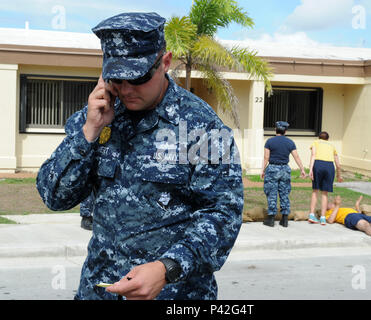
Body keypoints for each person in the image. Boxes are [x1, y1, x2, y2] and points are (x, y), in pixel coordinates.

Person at [36, 12, 243, 300]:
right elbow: (54, 196)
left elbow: (223, 214)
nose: (127, 89)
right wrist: (89, 132)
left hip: (175, 294)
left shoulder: (202, 127)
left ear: (165, 62)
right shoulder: (97, 115)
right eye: (117, 78)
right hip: (101, 290)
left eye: (139, 77)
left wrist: (167, 267)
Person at [260, 121, 306, 228]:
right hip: (285, 169)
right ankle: (284, 219)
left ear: (275, 129)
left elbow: (266, 157)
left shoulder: (269, 141)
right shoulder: (290, 142)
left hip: (272, 169)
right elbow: (296, 157)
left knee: (272, 192)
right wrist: (302, 169)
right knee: (284, 193)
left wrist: (262, 170)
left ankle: (271, 219)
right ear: (285, 131)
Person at [308, 131, 342, 225]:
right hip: (329, 166)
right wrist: (339, 175)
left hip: (318, 164)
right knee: (324, 193)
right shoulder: (332, 145)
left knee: (315, 191)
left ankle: (311, 215)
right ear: (328, 139)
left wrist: (310, 169)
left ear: (319, 138)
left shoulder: (315, 142)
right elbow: (338, 164)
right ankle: (323, 218)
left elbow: (313, 155)